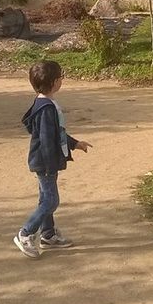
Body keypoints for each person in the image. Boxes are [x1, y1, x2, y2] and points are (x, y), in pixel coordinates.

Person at [13, 60, 92, 259]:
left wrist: (75, 144)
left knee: (45, 199)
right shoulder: (47, 108)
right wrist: (50, 165)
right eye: (61, 76)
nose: (62, 80)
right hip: (45, 162)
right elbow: (48, 139)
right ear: (55, 82)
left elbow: (57, 133)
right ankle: (26, 233)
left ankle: (48, 235)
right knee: (51, 201)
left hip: (45, 161)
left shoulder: (44, 103)